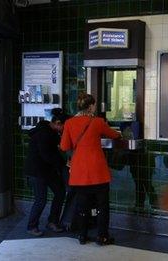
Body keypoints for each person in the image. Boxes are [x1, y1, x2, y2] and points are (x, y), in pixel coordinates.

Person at [60, 93, 121, 245]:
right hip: (97, 171)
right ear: (91, 106)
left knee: (82, 205)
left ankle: (82, 235)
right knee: (102, 206)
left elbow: (64, 146)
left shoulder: (69, 123)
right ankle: (102, 236)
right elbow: (114, 135)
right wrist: (120, 133)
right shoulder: (98, 122)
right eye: (94, 105)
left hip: (79, 171)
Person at [24, 108, 69, 236]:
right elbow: (46, 155)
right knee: (40, 199)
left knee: (60, 192)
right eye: (63, 127)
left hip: (47, 170)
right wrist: (63, 163)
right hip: (36, 172)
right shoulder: (43, 133)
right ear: (57, 123)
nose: (64, 130)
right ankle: (31, 226)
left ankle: (52, 221)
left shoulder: (52, 132)